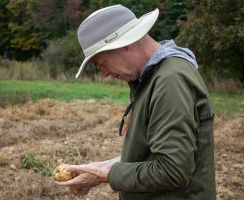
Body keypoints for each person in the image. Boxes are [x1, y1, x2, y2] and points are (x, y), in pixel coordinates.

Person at [55, 4, 216, 200]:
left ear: (125, 44)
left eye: (102, 63)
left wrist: (105, 175)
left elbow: (172, 170)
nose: (104, 74)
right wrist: (103, 167)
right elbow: (154, 154)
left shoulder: (170, 80)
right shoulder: (151, 78)